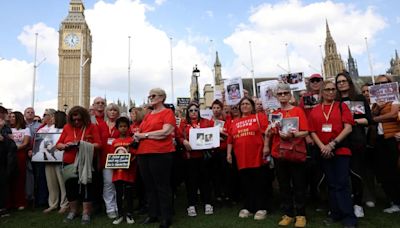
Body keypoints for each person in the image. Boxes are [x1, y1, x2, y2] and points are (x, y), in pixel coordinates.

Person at [308, 81, 356, 228]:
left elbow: (348, 128)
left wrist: (332, 144)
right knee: (331, 184)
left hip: (340, 150)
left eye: (333, 89)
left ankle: (348, 217)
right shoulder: (315, 110)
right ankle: (335, 214)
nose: (331, 92)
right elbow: (312, 131)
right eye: (327, 89)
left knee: (342, 183)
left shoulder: (342, 106)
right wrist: (323, 147)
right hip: (324, 152)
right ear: (322, 92)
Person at [265, 83, 309, 227]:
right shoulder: (275, 114)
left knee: (299, 185)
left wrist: (295, 134)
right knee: (284, 185)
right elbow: (270, 133)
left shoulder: (298, 110)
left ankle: (301, 214)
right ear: (277, 96)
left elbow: (306, 131)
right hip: (279, 153)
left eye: (285, 93)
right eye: (280, 94)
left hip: (295, 152)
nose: (283, 96)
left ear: (290, 95)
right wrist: (270, 130)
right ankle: (289, 214)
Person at [134, 88, 176, 228]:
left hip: (160, 153)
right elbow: (140, 130)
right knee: (149, 186)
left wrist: (145, 136)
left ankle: (166, 217)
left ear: (162, 98)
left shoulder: (167, 112)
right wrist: (138, 134)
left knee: (162, 186)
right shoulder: (148, 114)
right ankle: (153, 214)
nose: (150, 97)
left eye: (153, 95)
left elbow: (166, 132)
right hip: (143, 154)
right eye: (149, 95)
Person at [56, 106, 101, 224]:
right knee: (71, 187)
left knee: (87, 187)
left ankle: (86, 213)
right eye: (74, 119)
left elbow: (99, 144)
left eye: (79, 120)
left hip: (86, 162)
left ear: (84, 118)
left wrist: (83, 144)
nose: (76, 122)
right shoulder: (67, 127)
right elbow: (58, 144)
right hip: (69, 162)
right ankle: (73, 211)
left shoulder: (92, 127)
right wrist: (65, 146)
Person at [335, 72, 372, 218]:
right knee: (342, 175)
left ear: (349, 83)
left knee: (356, 173)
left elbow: (369, 120)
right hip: (340, 141)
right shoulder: (335, 102)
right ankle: (343, 202)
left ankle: (358, 204)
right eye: (339, 82)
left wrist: (352, 122)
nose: (342, 83)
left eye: (344, 81)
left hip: (356, 140)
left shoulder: (359, 98)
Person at [227, 97, 269, 220]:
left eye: (247, 104)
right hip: (241, 158)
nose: (245, 106)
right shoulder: (234, 122)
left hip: (257, 155)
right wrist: (229, 154)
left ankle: (261, 208)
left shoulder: (259, 117)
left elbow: (267, 133)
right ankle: (248, 207)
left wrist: (266, 146)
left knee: (259, 182)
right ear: (240, 107)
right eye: (243, 104)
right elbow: (230, 139)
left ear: (252, 106)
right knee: (246, 183)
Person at [178, 102, 214, 217]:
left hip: (203, 157)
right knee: (190, 181)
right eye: (191, 110)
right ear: (187, 113)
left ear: (199, 111)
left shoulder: (206, 122)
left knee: (205, 180)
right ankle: (191, 204)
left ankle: (207, 203)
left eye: (195, 110)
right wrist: (183, 141)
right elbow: (178, 135)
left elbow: (213, 133)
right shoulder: (183, 124)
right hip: (189, 157)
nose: (193, 112)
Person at [370, 75, 400, 213]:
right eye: (378, 84)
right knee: (385, 171)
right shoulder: (376, 100)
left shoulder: (396, 97)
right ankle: (393, 201)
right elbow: (371, 115)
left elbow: (394, 115)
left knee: (395, 170)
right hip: (380, 138)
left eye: (385, 83)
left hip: (393, 137)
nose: (382, 86)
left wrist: (376, 118)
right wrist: (378, 108)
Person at [38, 109, 69, 214]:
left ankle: (64, 204)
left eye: (53, 117)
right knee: (51, 183)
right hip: (48, 158)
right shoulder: (49, 129)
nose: (51, 119)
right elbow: (43, 141)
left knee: (62, 183)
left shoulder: (66, 129)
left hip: (60, 159)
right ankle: (53, 204)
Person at [111, 117, 136, 225]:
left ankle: (129, 214)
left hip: (129, 173)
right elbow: (111, 156)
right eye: (120, 126)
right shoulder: (114, 142)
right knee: (119, 194)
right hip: (117, 174)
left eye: (125, 126)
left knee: (129, 194)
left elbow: (135, 154)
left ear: (128, 127)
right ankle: (120, 214)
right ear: (117, 128)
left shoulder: (131, 140)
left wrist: (130, 159)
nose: (123, 128)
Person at [9, 111, 31, 210]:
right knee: (9, 178)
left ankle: (20, 202)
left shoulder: (26, 130)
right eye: (10, 117)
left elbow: (26, 143)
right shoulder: (7, 129)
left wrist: (15, 148)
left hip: (20, 155)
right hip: (8, 155)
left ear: (18, 118)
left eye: (13, 117)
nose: (11, 118)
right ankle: (9, 203)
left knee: (20, 178)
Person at [102, 103, 120, 218]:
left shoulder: (121, 125)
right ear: (106, 112)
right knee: (108, 184)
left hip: (119, 159)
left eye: (114, 110)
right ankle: (110, 208)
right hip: (105, 159)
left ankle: (118, 206)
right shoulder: (101, 125)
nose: (112, 112)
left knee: (118, 184)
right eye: (110, 110)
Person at [0, 106, 17, 216]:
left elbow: (11, 143)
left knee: (3, 183)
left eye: (2, 113)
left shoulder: (7, 127)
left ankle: (2, 208)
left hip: (4, 159)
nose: (2, 115)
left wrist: (4, 138)